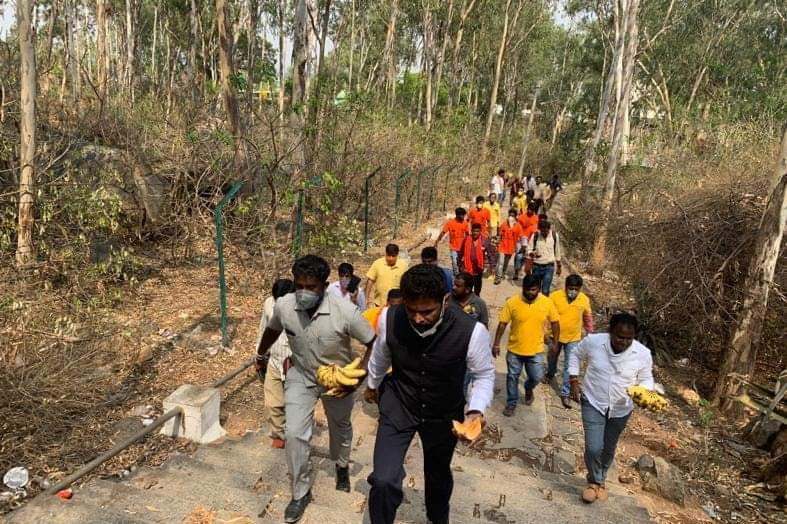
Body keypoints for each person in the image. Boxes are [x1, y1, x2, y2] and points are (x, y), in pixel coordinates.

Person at [364, 264, 495, 524]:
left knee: (437, 478)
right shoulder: (391, 318)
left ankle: (437, 518)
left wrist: (475, 411)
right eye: (411, 310)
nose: (417, 318)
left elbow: (483, 375)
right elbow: (381, 355)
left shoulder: (471, 331)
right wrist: (372, 384)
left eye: (427, 312)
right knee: (383, 480)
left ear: (445, 300)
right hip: (399, 404)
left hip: (443, 413)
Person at [254, 255, 376, 523]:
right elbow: (273, 329)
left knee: (340, 427)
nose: (304, 292)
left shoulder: (345, 311)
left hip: (337, 380)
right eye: (300, 286)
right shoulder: (285, 305)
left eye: (312, 287)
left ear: (324, 285)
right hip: (301, 375)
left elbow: (373, 343)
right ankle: (300, 492)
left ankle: (342, 465)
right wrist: (261, 354)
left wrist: (356, 380)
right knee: (294, 433)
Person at [568, 313, 654, 504]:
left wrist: (644, 392)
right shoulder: (594, 342)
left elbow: (647, 378)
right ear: (610, 332)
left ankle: (601, 480)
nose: (623, 342)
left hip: (621, 408)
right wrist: (573, 379)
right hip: (593, 401)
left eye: (628, 338)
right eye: (619, 336)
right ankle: (593, 482)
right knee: (593, 447)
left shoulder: (642, 354)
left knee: (608, 447)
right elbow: (575, 354)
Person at [492, 274, 560, 416]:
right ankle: (511, 403)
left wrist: (555, 343)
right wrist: (496, 343)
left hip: (536, 351)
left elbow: (555, 323)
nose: (530, 292)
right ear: (523, 288)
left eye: (533, 290)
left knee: (536, 377)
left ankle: (528, 388)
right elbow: (503, 323)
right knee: (512, 377)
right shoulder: (512, 302)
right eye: (527, 289)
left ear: (539, 289)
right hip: (514, 350)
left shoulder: (547, 303)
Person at [255, 278, 295, 449]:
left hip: (295, 361)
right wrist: (259, 355)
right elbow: (263, 329)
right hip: (275, 360)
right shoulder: (269, 304)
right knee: (272, 402)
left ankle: (295, 432)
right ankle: (279, 433)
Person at [547, 274, 594, 408]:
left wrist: (590, 334)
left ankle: (565, 393)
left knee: (570, 365)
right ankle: (550, 373)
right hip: (554, 336)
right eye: (570, 288)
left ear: (580, 289)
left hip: (573, 337)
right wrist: (544, 332)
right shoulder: (555, 297)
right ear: (566, 287)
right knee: (552, 358)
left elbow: (587, 318)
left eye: (576, 289)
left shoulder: (584, 300)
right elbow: (547, 315)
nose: (573, 291)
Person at [456, 223, 496, 296]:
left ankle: (477, 297)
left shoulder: (485, 241)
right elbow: (461, 252)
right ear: (471, 231)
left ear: (480, 231)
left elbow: (491, 254)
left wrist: (493, 266)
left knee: (477, 286)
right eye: (474, 231)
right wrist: (459, 263)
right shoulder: (466, 239)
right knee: (468, 286)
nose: (475, 233)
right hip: (467, 268)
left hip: (478, 268)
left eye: (477, 231)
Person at [366, 244, 409, 308]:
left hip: (397, 304)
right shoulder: (377, 264)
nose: (390, 258)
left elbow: (407, 283)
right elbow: (370, 281)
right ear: (385, 254)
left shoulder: (403, 266)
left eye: (393, 256)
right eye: (389, 255)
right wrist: (366, 298)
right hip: (380, 303)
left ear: (397, 255)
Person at [527, 220, 562, 295]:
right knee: (536, 289)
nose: (544, 233)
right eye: (542, 231)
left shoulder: (554, 236)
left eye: (545, 231)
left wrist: (559, 267)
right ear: (539, 229)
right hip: (537, 267)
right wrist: (532, 254)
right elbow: (529, 249)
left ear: (548, 229)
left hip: (549, 267)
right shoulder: (535, 235)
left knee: (545, 290)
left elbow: (557, 252)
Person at [434, 207, 470, 275]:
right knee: (454, 263)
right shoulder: (450, 223)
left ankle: (461, 275)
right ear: (457, 215)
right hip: (453, 247)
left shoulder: (465, 223)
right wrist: (437, 241)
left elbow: (468, 235)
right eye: (462, 215)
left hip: (463, 248)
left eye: (463, 215)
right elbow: (443, 232)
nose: (463, 217)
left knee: (462, 263)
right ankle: (456, 276)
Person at [495, 209, 523, 284]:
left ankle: (503, 273)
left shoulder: (518, 226)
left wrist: (521, 247)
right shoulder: (504, 224)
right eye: (510, 215)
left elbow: (521, 237)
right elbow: (499, 234)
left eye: (513, 216)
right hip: (502, 246)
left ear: (515, 217)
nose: (511, 217)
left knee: (506, 262)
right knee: (500, 262)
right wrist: (497, 242)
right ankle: (498, 277)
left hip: (511, 248)